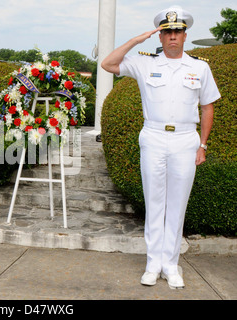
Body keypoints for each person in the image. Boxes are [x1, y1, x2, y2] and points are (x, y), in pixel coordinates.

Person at [101, 6, 221, 289]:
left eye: (177, 31)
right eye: (167, 32)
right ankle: (153, 263)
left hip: (185, 140)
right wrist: (136, 40)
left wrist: (202, 144)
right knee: (154, 202)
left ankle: (171, 264)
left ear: (185, 35)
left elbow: (208, 107)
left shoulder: (199, 67)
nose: (172, 37)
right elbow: (108, 64)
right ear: (160, 36)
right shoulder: (145, 63)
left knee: (177, 204)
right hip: (154, 137)